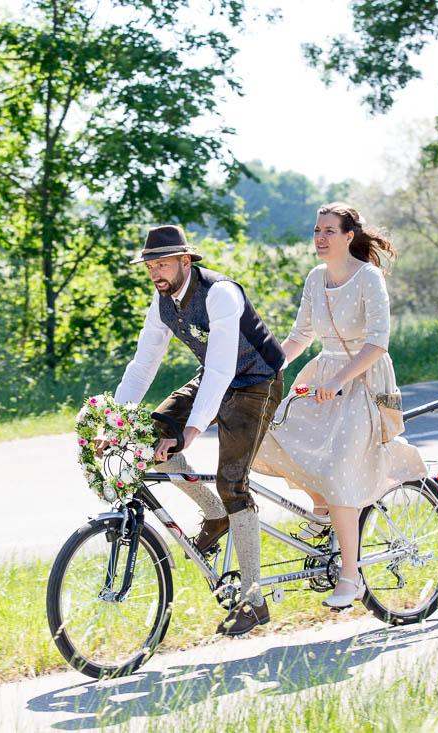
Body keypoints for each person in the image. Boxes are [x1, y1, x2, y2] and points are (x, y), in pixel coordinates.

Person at [111, 224, 285, 636]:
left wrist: (192, 429)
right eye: (150, 265)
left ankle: (254, 599)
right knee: (150, 437)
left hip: (257, 381)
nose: (156, 273)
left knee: (233, 483)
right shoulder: (162, 304)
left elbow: (225, 368)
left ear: (185, 261)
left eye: (163, 264)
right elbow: (142, 366)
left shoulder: (220, 293)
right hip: (215, 376)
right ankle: (214, 513)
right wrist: (114, 420)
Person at [252, 202, 426, 609]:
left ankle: (352, 577)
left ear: (350, 236)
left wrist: (337, 379)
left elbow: (377, 342)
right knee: (273, 436)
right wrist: (265, 367)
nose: (320, 238)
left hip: (363, 380)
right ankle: (325, 511)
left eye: (329, 230)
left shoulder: (369, 278)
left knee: (339, 470)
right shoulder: (316, 279)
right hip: (324, 376)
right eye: (316, 230)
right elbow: (299, 335)